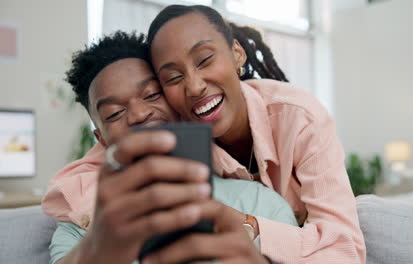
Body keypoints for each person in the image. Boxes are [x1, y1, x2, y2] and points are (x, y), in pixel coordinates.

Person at [42, 31, 297, 264]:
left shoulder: (259, 203)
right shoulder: (81, 224)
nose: (139, 114)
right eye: (115, 113)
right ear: (102, 140)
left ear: (178, 101)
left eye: (152, 95)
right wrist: (99, 248)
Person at [144, 4, 366, 263]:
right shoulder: (174, 135)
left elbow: (346, 250)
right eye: (173, 77)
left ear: (237, 54)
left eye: (204, 60)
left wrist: (247, 227)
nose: (194, 86)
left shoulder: (300, 118)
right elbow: (93, 168)